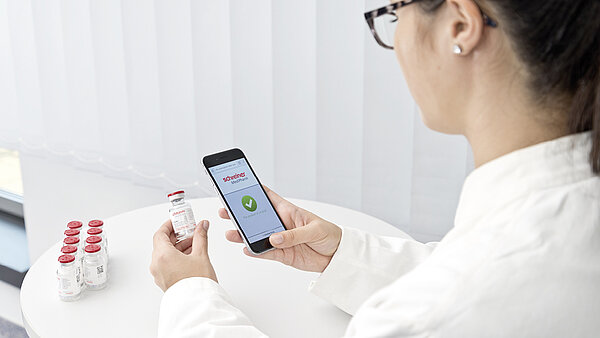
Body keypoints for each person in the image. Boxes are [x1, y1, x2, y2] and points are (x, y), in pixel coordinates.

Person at [150, 0, 600, 336]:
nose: (397, 37)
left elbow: (469, 289)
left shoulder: (431, 315)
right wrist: (343, 255)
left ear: (459, 26)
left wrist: (190, 292)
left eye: (394, 14)